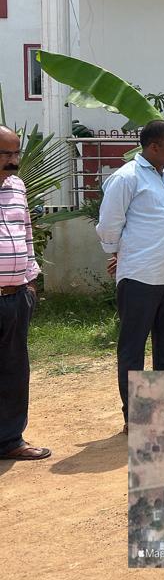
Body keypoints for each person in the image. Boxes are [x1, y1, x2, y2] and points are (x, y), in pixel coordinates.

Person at [96, 120, 164, 430]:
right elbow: (109, 223)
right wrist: (118, 255)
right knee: (133, 349)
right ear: (153, 147)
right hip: (140, 277)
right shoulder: (126, 178)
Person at [0, 126, 47, 460]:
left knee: (14, 370)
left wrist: (30, 280)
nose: (14, 161)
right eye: (6, 154)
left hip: (17, 295)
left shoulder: (17, 186)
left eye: (16, 153)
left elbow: (27, 233)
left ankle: (10, 439)